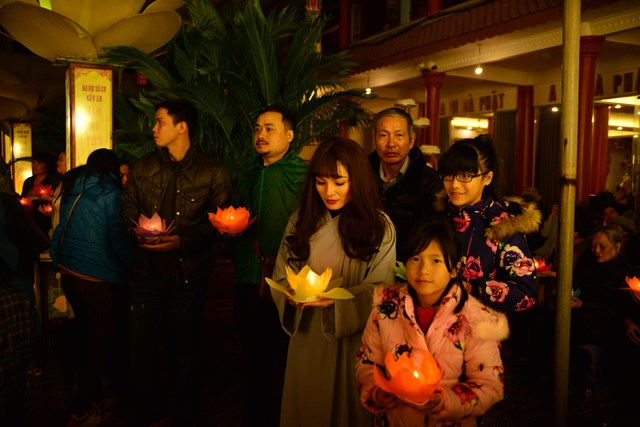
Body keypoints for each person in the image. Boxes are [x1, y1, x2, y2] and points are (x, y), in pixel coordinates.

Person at [121, 98, 232, 427]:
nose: (153, 129)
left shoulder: (212, 171)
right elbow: (128, 205)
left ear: (182, 127)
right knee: (141, 349)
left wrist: (183, 240)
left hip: (188, 276)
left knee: (185, 350)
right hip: (147, 272)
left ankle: (183, 414)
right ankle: (151, 413)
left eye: (160, 122)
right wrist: (138, 231)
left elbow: (222, 224)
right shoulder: (143, 166)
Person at [270, 137, 396, 427]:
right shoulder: (301, 220)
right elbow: (282, 272)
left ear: (358, 180)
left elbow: (382, 288)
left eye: (339, 182)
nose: (329, 192)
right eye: (320, 182)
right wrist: (289, 291)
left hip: (352, 339)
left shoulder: (379, 226)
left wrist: (338, 300)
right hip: (306, 333)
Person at [356, 219, 508, 426]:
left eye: (436, 260)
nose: (423, 270)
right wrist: (377, 391)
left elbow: (489, 384)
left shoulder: (476, 320)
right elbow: (367, 362)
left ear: (454, 269)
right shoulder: (385, 309)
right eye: (415, 259)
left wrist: (447, 401)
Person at [229, 105, 307, 426]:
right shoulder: (247, 173)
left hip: (290, 280)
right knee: (254, 359)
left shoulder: (304, 174)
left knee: (289, 358)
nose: (261, 135)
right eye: (258, 128)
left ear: (289, 135)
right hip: (249, 275)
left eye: (269, 129)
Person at [50, 148, 135, 427]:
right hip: (96, 280)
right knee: (99, 346)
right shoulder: (111, 194)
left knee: (87, 338)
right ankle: (81, 409)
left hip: (70, 274)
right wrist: (135, 265)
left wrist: (57, 258)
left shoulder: (74, 188)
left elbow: (61, 228)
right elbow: (118, 238)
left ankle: (95, 397)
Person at [435, 135, 539, 313]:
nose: (454, 184)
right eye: (449, 175)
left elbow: (526, 294)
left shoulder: (504, 226)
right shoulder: (437, 218)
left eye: (465, 176)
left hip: (482, 326)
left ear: (487, 178)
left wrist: (473, 289)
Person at [369, 107, 443, 261]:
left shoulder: (430, 182)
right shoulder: (361, 175)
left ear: (412, 140)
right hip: (365, 259)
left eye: (399, 135)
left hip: (409, 263)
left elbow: (432, 234)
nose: (391, 144)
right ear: (375, 139)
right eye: (383, 135)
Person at [21, 151, 62, 236]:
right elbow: (23, 199)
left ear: (47, 166)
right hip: (29, 220)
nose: (35, 166)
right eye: (34, 162)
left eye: (39, 163)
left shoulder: (54, 181)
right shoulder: (28, 181)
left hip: (45, 222)